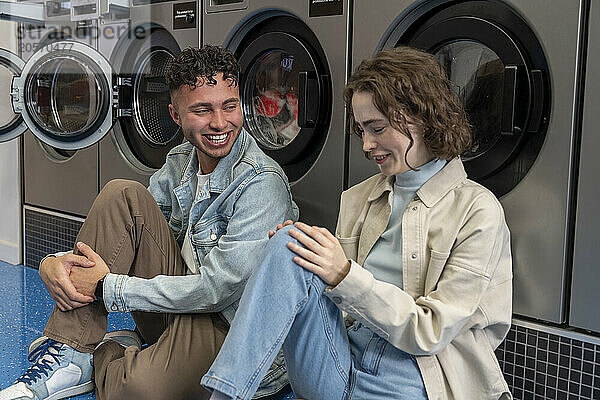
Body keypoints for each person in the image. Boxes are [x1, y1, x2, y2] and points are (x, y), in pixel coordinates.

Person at [201, 46, 513, 400]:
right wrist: (299, 261)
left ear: (423, 118)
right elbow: (332, 302)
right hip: (340, 360)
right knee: (290, 243)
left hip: (418, 379)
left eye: (377, 128)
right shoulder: (359, 197)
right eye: (361, 130)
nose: (367, 144)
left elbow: (430, 332)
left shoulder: (477, 211)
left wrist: (341, 274)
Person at [0, 45, 297, 400]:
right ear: (175, 114)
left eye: (229, 106)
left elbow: (218, 292)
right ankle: (72, 352)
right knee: (122, 194)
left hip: (230, 326)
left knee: (138, 392)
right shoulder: (180, 161)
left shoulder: (262, 182)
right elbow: (126, 234)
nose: (220, 123)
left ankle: (106, 352)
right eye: (202, 110)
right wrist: (51, 264)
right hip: (180, 304)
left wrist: (107, 288)